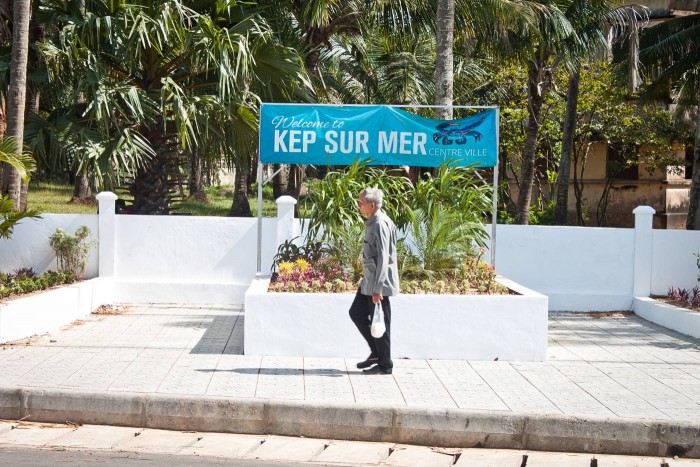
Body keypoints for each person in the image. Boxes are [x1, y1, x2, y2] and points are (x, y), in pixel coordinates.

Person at [349, 188, 399, 375]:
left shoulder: (380, 224)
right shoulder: (372, 222)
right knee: (356, 313)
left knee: (381, 323)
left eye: (361, 203)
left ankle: (385, 365)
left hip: (379, 285)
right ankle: (376, 353)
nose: (359, 206)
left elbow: (384, 259)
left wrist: (378, 289)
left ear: (371, 205)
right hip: (369, 282)